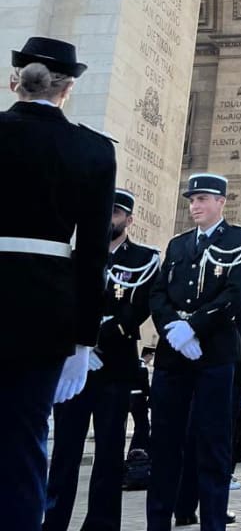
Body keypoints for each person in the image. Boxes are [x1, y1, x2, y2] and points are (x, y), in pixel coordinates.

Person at [1, 37, 116, 530]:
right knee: (26, 444)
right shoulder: (92, 149)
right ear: (68, 89)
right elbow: (93, 254)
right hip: (44, 314)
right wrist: (83, 340)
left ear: (16, 81)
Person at [147, 173, 241, 531]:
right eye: (192, 200)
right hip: (173, 354)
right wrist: (174, 330)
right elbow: (158, 294)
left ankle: (213, 525)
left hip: (214, 355)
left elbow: (235, 294)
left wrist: (193, 326)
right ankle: (157, 523)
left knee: (212, 447)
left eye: (203, 199)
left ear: (221, 202)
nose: (194, 206)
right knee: (164, 445)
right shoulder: (178, 245)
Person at [44, 188, 159, 531]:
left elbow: (138, 309)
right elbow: (59, 303)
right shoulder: (78, 255)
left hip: (115, 364)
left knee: (109, 451)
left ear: (129, 219)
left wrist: (93, 339)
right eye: (105, 211)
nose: (109, 218)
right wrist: (79, 345)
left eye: (117, 213)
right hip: (75, 366)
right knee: (65, 449)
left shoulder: (144, 258)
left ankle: (102, 524)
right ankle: (54, 520)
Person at [129, 346, 156, 454]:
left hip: (131, 397)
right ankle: (139, 448)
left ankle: (137, 448)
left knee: (140, 425)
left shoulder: (133, 363)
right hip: (138, 398)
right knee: (143, 425)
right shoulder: (141, 365)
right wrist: (150, 394)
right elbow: (144, 386)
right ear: (148, 355)